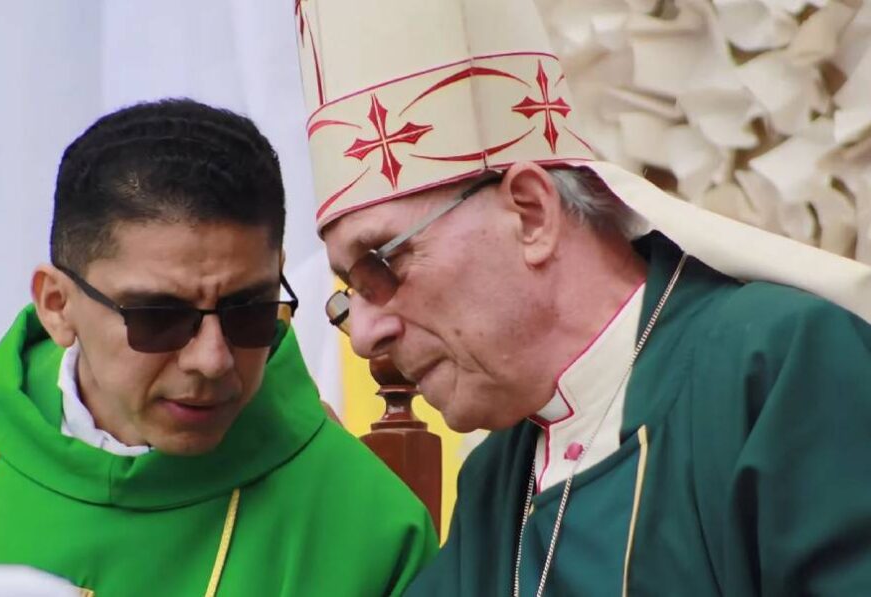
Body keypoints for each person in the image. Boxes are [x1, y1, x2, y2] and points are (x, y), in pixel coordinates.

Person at [291, 0, 871, 595]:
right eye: (350, 295)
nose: (364, 336)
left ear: (532, 213)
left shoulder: (778, 366)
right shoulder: (496, 478)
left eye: (383, 264)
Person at [0, 98, 437, 595]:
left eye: (248, 312)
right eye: (159, 317)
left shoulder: (371, 529)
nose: (212, 361)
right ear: (57, 306)